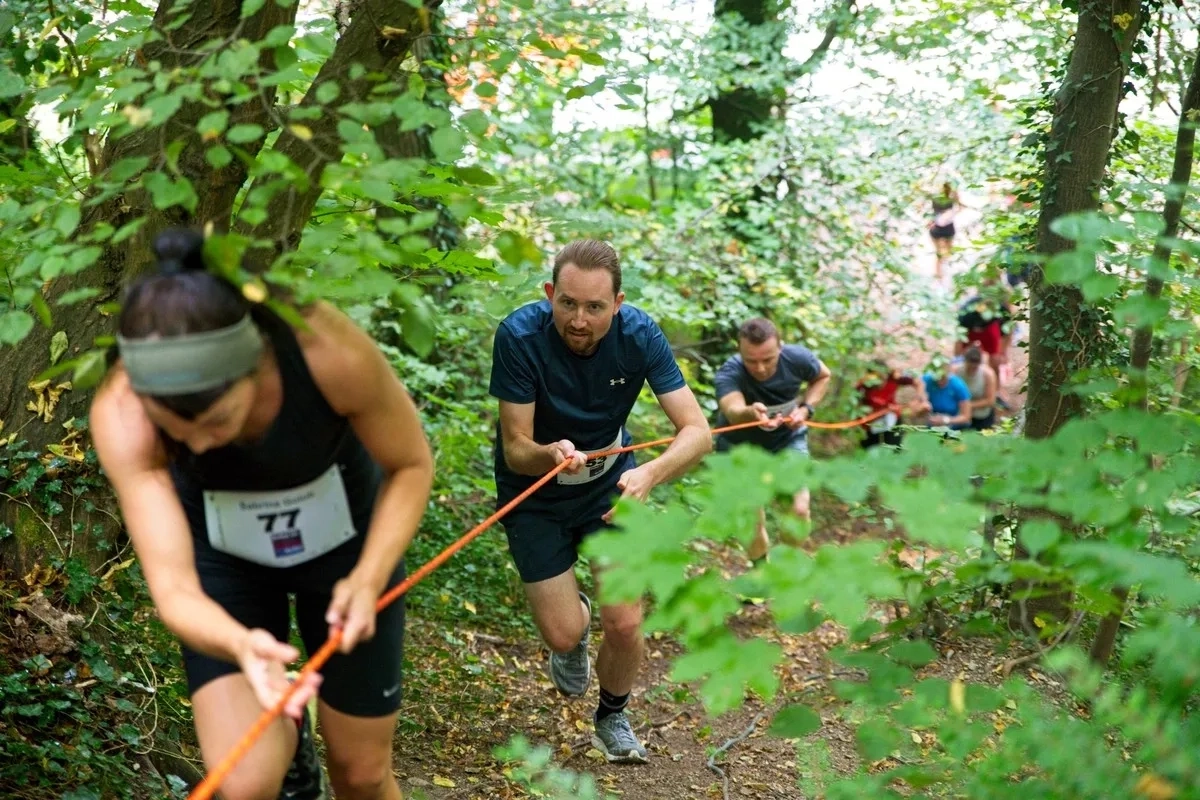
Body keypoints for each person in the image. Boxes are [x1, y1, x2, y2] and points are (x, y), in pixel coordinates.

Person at [89, 228, 433, 800]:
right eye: (178, 434)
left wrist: (369, 576)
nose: (200, 447)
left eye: (219, 422)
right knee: (244, 781)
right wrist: (240, 645)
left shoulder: (327, 350)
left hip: (348, 547)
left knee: (362, 772)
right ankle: (286, 743)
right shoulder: (123, 414)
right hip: (225, 559)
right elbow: (175, 590)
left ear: (257, 365)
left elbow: (411, 465)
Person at [488, 239, 711, 764]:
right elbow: (516, 448)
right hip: (534, 490)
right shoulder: (519, 336)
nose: (579, 320)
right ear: (549, 293)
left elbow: (698, 432)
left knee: (627, 621)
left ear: (618, 303)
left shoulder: (640, 336)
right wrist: (550, 453)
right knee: (563, 633)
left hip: (612, 485)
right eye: (567, 303)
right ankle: (576, 629)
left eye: (594, 307)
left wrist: (650, 473)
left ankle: (613, 717)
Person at [712, 318, 831, 562]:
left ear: (780, 347)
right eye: (751, 361)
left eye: (768, 359)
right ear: (740, 352)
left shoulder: (797, 358)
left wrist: (806, 408)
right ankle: (760, 569)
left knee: (799, 510)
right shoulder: (730, 371)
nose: (760, 368)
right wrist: (750, 412)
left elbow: (823, 376)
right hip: (738, 447)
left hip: (787, 440)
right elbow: (732, 410)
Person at [856, 360, 927, 449]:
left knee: (894, 447)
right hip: (872, 421)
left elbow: (918, 383)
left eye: (883, 376)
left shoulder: (893, 378)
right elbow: (856, 402)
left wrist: (919, 399)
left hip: (892, 418)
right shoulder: (864, 385)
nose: (881, 380)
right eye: (877, 377)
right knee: (868, 448)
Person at [916, 354, 973, 429]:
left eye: (943, 377)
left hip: (953, 422)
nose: (940, 380)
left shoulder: (958, 385)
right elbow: (916, 406)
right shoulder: (927, 380)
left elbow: (966, 417)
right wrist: (923, 404)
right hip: (932, 420)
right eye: (937, 377)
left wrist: (946, 420)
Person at [956, 346, 998, 430]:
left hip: (981, 415)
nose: (973, 368)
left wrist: (969, 405)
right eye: (970, 366)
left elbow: (990, 400)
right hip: (960, 414)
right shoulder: (957, 371)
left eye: (975, 366)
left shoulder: (988, 375)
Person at [928, 181, 962, 281]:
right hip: (939, 227)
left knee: (945, 253)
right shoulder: (937, 196)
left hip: (946, 227)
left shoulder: (950, 195)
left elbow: (959, 207)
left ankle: (942, 275)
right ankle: (939, 276)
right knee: (941, 253)